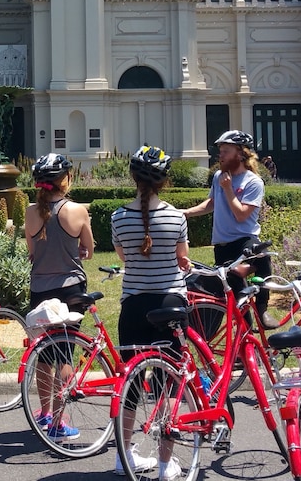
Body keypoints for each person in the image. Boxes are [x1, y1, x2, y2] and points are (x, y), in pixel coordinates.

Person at [110, 145, 191, 479]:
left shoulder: (117, 217)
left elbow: (125, 258)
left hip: (134, 306)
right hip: (169, 304)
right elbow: (181, 258)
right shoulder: (177, 217)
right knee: (167, 384)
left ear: (133, 177)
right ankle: (164, 463)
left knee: (130, 383)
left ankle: (124, 456)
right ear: (165, 181)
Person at [24, 153, 94, 443]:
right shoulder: (76, 210)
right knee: (65, 353)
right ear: (64, 179)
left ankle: (45, 413)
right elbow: (88, 248)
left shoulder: (30, 211)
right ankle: (60, 421)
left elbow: (31, 251)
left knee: (44, 355)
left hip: (40, 289)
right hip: (70, 289)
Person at [185, 130, 277, 329]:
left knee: (262, 256)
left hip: (244, 239)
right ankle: (245, 350)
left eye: (226, 151)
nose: (221, 156)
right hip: (222, 245)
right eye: (221, 151)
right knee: (237, 301)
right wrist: (185, 213)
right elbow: (211, 203)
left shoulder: (253, 182)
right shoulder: (220, 175)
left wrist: (228, 189)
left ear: (240, 154)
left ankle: (262, 309)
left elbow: (242, 214)